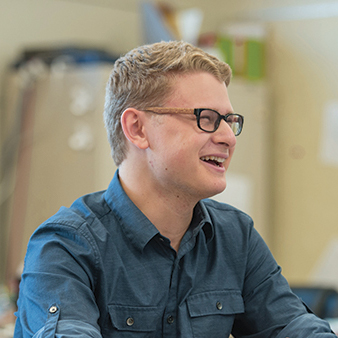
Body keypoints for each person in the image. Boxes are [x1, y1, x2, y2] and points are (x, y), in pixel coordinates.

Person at [14, 40, 335, 338]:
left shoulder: (236, 236)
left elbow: (291, 326)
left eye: (229, 120)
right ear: (137, 129)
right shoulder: (65, 248)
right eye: (206, 118)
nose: (229, 137)